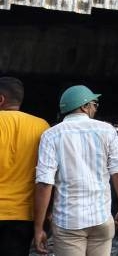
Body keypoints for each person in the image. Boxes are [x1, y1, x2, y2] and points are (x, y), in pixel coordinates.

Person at [33, 85, 118, 256]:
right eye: (94, 104)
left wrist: (39, 227)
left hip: (68, 222)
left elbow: (44, 183)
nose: (95, 108)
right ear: (84, 106)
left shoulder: (51, 135)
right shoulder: (107, 130)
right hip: (101, 218)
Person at [0, 77, 49, 255]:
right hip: (24, 216)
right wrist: (44, 221)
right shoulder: (42, 126)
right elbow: (48, 177)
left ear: (0, 99)